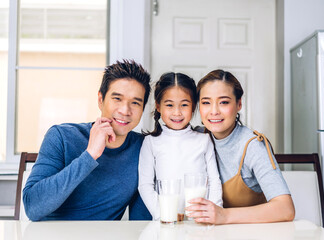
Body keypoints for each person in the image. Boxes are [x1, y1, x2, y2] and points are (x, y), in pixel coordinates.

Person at [23, 60, 152, 221]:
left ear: (143, 108)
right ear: (100, 99)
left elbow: (140, 222)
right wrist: (90, 155)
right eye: (117, 99)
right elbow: (33, 207)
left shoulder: (143, 148)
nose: (125, 110)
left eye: (135, 102)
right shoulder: (61, 136)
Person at [186, 69, 295, 224]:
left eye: (223, 102)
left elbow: (286, 209)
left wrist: (225, 215)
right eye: (206, 102)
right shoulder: (197, 137)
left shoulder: (253, 146)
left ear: (239, 104)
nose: (214, 111)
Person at [138, 72, 222, 220]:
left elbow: (214, 181)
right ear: (158, 106)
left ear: (193, 106)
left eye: (184, 105)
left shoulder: (204, 140)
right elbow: (145, 185)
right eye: (169, 105)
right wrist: (162, 215)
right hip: (166, 221)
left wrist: (215, 211)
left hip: (200, 221)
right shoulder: (151, 142)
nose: (177, 112)